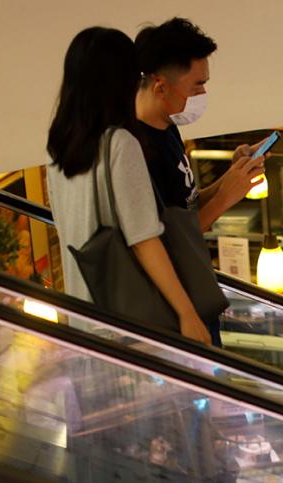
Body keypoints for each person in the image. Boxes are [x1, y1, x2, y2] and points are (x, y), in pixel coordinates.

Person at [46, 26, 213, 345]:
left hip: (85, 309)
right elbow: (144, 239)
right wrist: (186, 313)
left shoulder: (57, 147)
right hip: (131, 322)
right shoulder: (120, 144)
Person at [132, 17, 265, 346]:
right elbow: (165, 242)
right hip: (176, 311)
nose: (203, 93)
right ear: (161, 86)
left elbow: (184, 208)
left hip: (195, 295)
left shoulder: (168, 128)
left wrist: (230, 179)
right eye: (196, 85)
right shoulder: (134, 150)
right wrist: (224, 199)